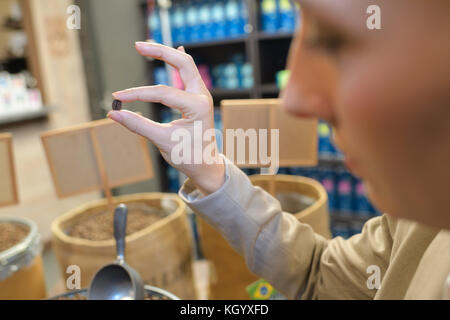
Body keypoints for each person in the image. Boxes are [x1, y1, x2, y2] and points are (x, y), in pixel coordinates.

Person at [107, 0, 450, 299]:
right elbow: (319, 274)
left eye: (335, 39)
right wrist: (209, 170)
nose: (293, 98)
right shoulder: (422, 217)